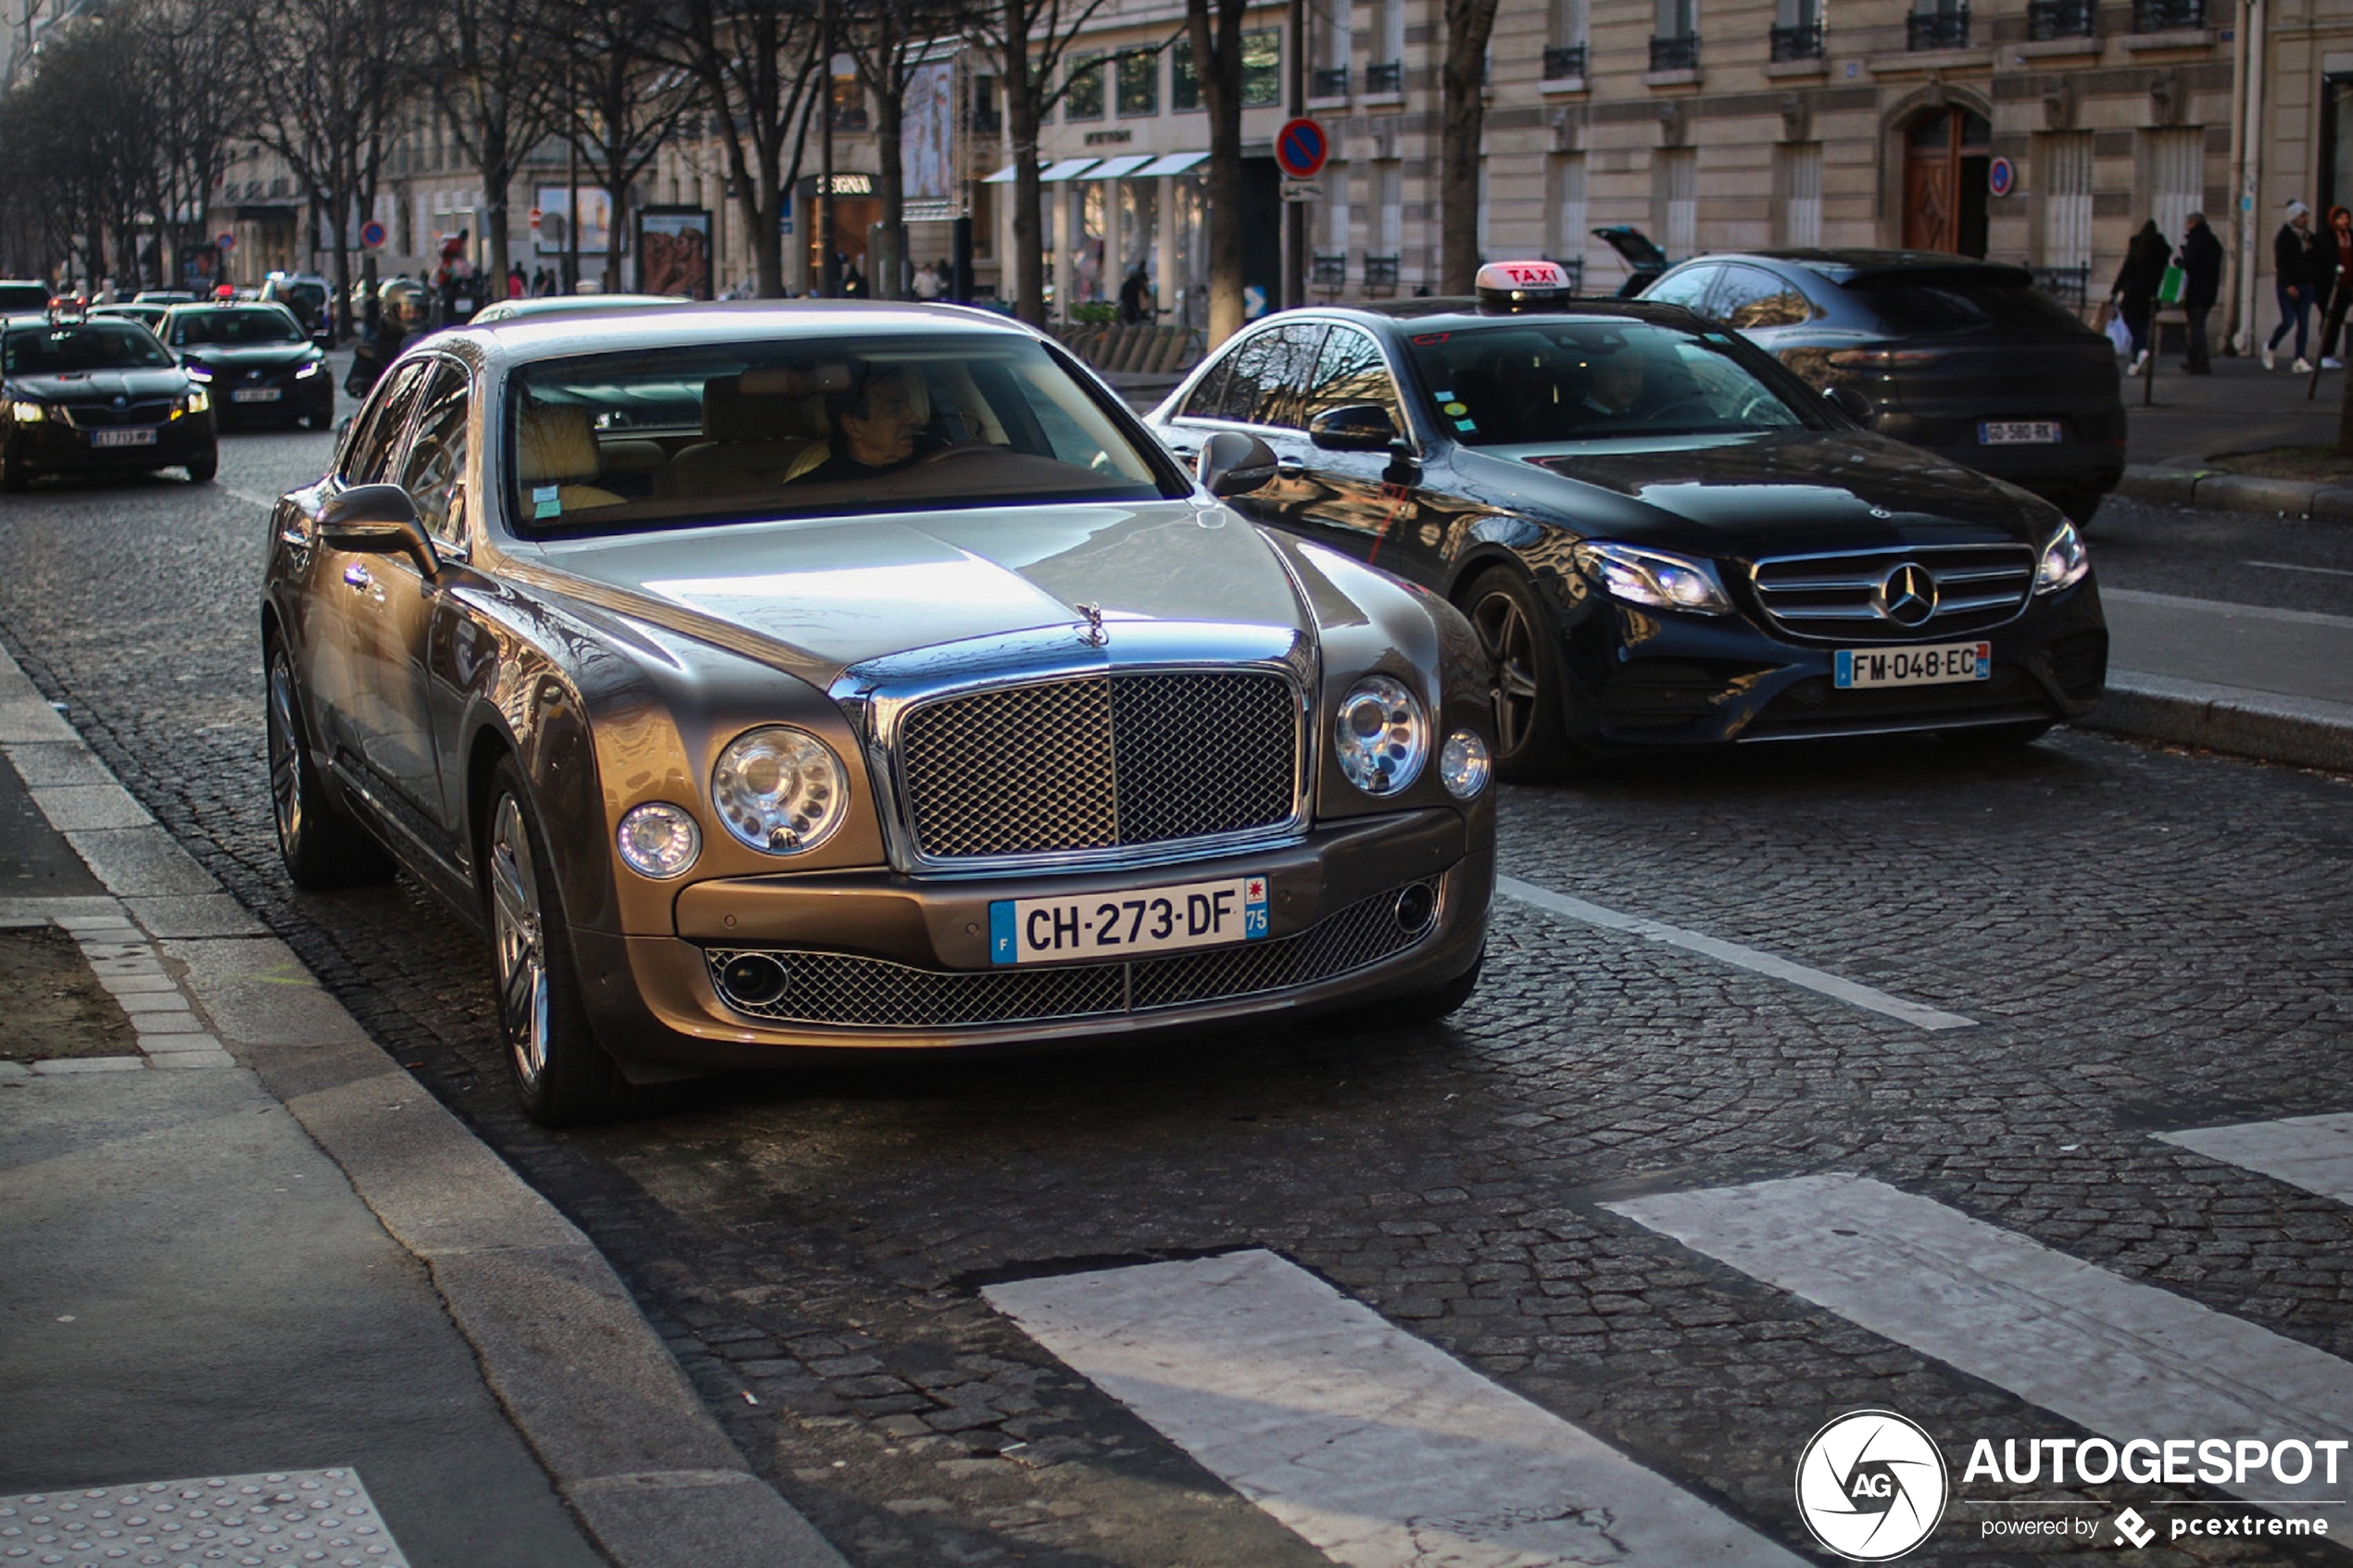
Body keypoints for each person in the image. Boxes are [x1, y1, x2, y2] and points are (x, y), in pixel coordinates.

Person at [786, 368, 929, 484]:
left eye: (909, 406)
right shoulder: (814, 492)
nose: (913, 418)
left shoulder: (938, 461)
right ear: (853, 426)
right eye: (894, 410)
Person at [2109, 219, 2171, 376]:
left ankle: (2139, 353)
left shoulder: (2137, 246)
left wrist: (2115, 289)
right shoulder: (2162, 249)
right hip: (2150, 293)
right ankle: (2141, 351)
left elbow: (2127, 269)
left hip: (2133, 293)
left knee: (2131, 325)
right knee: (2144, 325)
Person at [346, 279, 425, 398]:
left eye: (417, 312)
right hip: (390, 409)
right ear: (392, 311)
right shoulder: (376, 346)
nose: (412, 316)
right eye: (406, 311)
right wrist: (362, 384)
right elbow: (354, 381)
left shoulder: (434, 342)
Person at [2265, 200, 2321, 371]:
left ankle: (2299, 358)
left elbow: (2314, 259)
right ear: (2294, 218)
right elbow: (2281, 263)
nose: (2305, 219)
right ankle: (2271, 346)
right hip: (2288, 285)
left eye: (2306, 216)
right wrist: (2288, 284)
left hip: (2306, 284)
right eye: (2302, 216)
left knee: (2303, 324)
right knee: (2289, 320)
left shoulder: (2308, 236)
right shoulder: (2285, 237)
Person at [2178, 211, 2223, 374]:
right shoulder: (2213, 241)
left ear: (2193, 223)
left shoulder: (2196, 240)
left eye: (2187, 223)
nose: (2186, 226)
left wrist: (2180, 261)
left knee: (2196, 329)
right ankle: (2194, 361)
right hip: (2210, 290)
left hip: (2196, 291)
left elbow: (2191, 264)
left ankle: (2200, 363)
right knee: (2198, 326)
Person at [2316, 205, 2353, 369]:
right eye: (2341, 218)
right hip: (2329, 286)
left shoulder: (2349, 236)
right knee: (2329, 319)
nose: (2345, 222)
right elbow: (2323, 260)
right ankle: (2325, 353)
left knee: (2338, 320)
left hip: (2346, 285)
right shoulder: (2326, 237)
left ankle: (2330, 353)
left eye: (2347, 218)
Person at [1117, 260, 1151, 324]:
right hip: (1135, 308)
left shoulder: (1126, 284)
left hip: (1128, 308)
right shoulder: (1138, 285)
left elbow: (1122, 296)